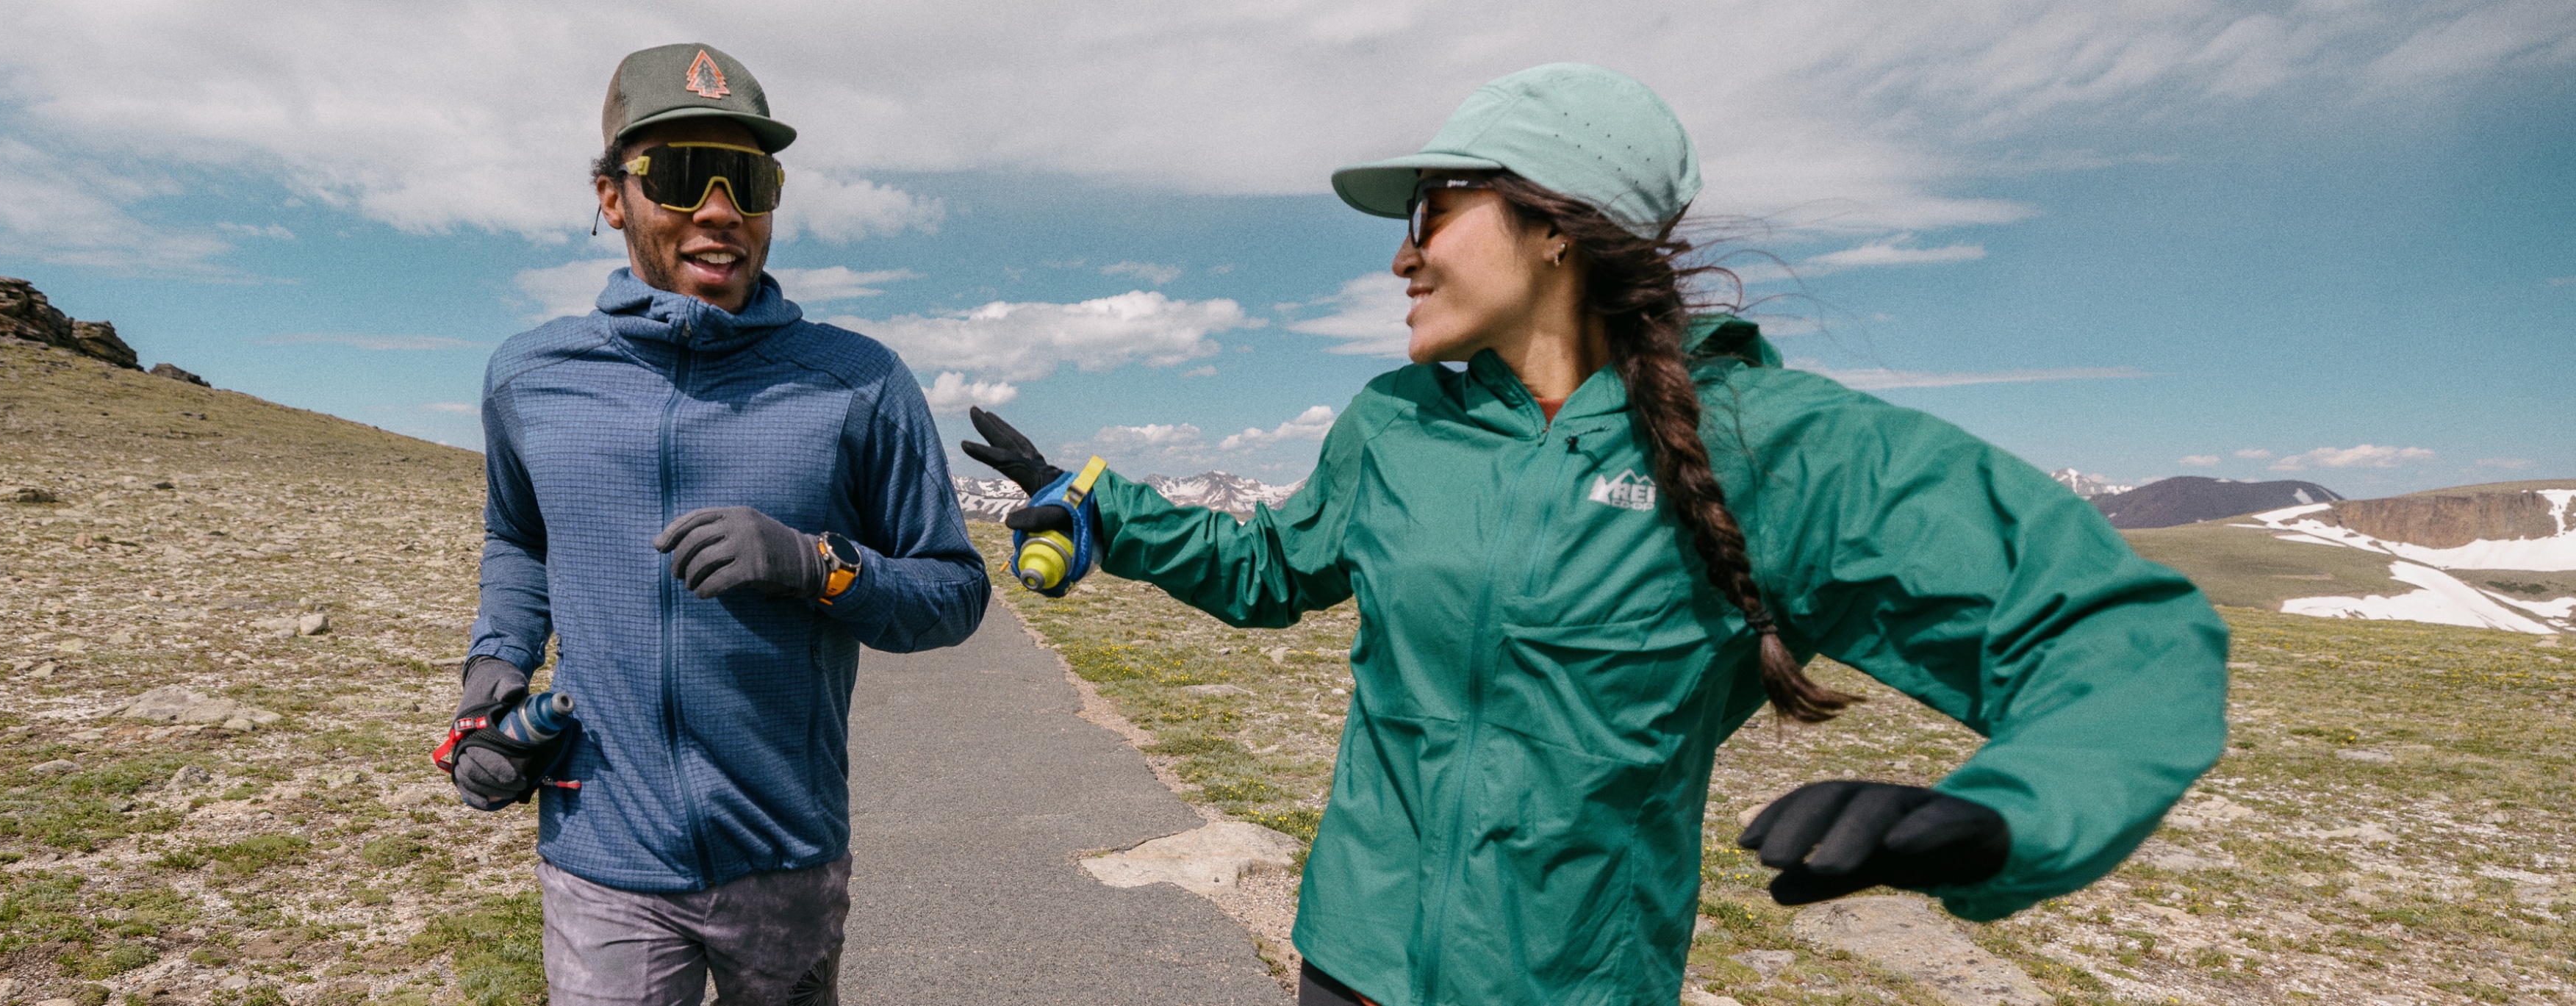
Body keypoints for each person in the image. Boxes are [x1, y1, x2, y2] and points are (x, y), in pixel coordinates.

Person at [964, 64, 2226, 1006]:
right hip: (1348, 959)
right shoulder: (1398, 422)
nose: (1402, 255)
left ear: (1555, 225)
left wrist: (2010, 814)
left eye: (1432, 211)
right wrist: (1105, 506)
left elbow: (2125, 636)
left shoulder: (1772, 446)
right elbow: (1272, 568)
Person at [443, 42, 988, 1006]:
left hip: (784, 857)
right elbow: (520, 539)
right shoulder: (530, 377)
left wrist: (814, 563)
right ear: (612, 194)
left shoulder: (858, 382)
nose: (722, 210)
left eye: (751, 178)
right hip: (601, 853)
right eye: (686, 174)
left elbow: (951, 592)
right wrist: (495, 671)